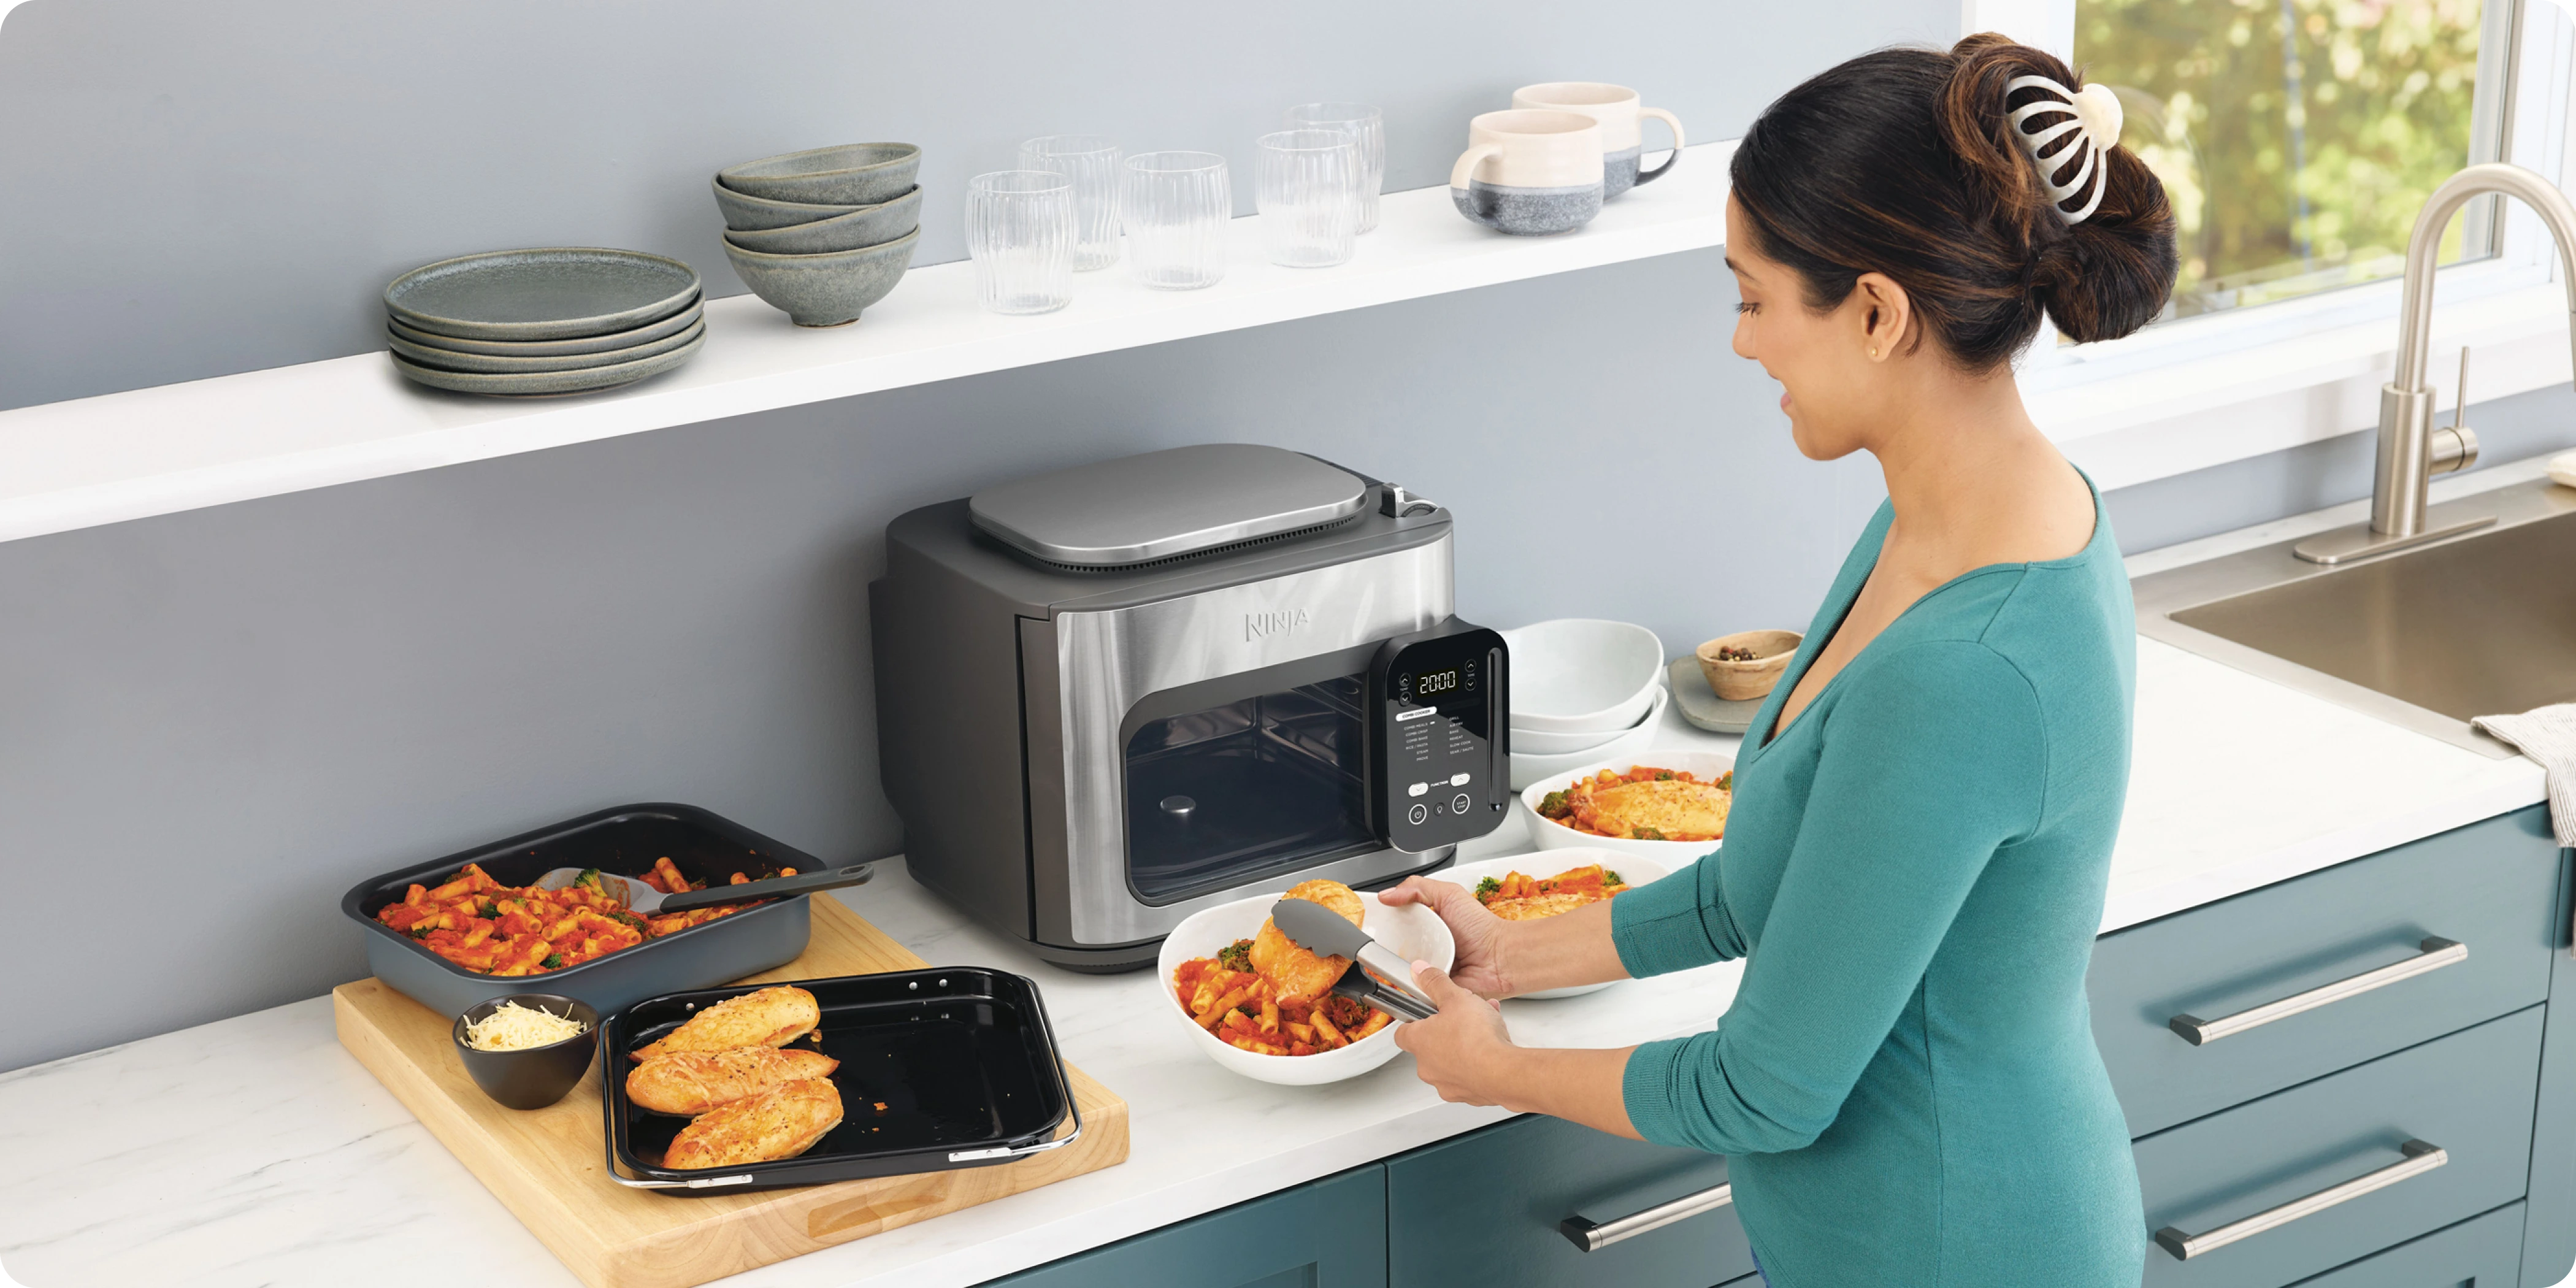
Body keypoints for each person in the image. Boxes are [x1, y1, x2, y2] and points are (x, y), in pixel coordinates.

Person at [1386, 33, 2179, 1287]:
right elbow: (1782, 886)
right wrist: (1509, 950)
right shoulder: (1951, 522)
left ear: (1875, 313)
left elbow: (1768, 1091)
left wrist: (1497, 1071)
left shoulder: (1965, 663)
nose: (1744, 342)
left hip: (1957, 1247)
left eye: (1754, 298)